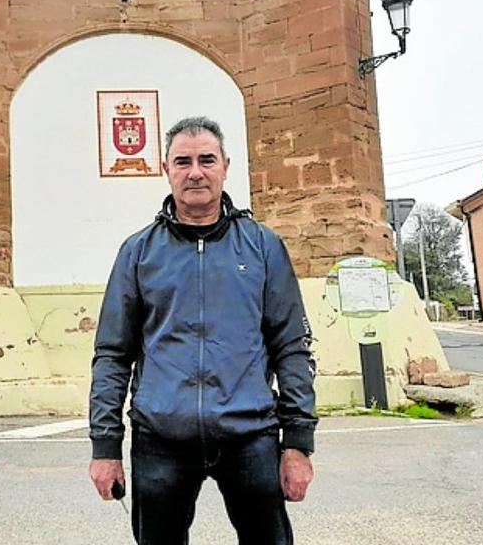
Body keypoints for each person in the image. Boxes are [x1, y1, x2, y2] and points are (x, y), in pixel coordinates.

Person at [88, 115, 317, 544]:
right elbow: (112, 355)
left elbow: (291, 347)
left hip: (250, 435)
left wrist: (298, 442)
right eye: (183, 161)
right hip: (161, 439)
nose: (196, 172)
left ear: (225, 166)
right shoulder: (138, 252)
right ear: (166, 169)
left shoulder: (263, 246)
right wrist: (105, 447)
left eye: (207, 160)